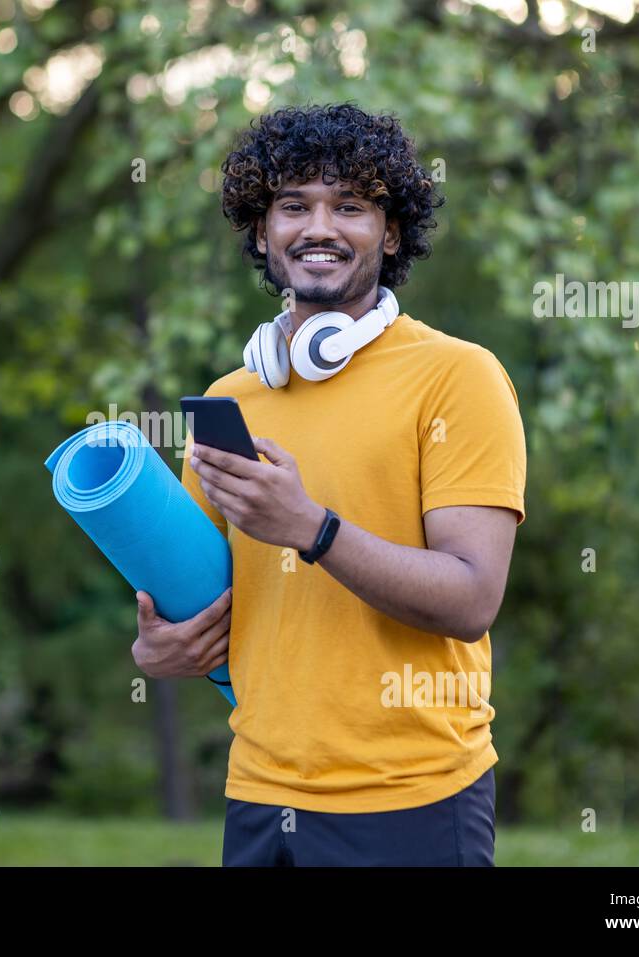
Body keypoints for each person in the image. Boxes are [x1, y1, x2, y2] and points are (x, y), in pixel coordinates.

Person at [132, 103, 526, 866]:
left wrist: (313, 527)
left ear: (392, 231)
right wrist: (158, 647)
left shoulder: (458, 377)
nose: (320, 227)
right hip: (258, 792)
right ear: (260, 231)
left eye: (350, 205)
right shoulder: (231, 400)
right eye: (293, 206)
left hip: (414, 799)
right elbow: (215, 602)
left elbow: (473, 597)